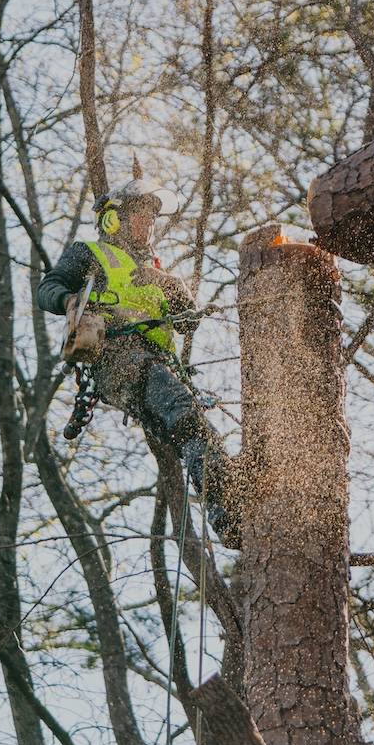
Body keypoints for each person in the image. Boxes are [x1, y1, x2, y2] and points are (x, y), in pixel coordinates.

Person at [38, 174, 240, 548]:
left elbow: (188, 317)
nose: (147, 225)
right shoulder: (91, 254)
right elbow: (47, 287)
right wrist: (69, 301)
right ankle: (228, 505)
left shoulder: (158, 275)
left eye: (151, 218)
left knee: (190, 423)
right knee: (186, 414)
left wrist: (177, 294)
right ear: (114, 219)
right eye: (140, 216)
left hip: (155, 364)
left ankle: (232, 499)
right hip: (117, 358)